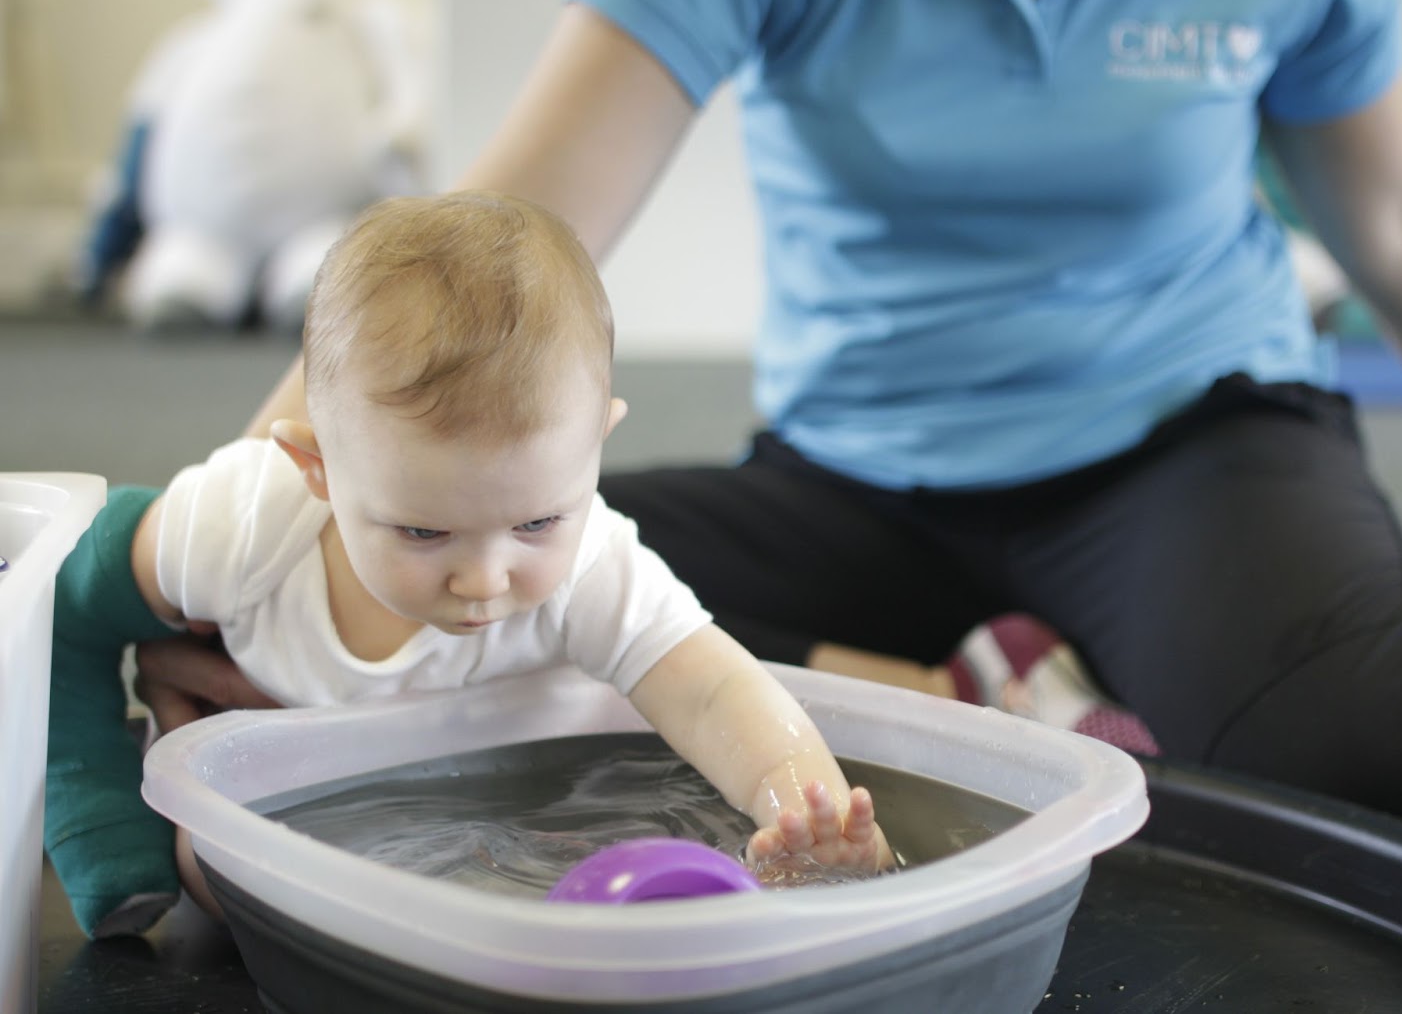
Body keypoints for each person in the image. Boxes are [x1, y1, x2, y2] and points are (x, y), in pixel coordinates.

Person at [162, 0, 1402, 887]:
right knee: (469, 596)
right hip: (851, 464)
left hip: (1189, 438)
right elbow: (497, 238)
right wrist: (272, 546)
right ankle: (995, 670)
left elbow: (1401, 222)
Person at [46, 191, 890, 939]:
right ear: (318, 472)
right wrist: (96, 807)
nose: (485, 580)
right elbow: (68, 598)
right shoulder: (245, 525)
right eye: (421, 532)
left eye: (535, 521)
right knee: (212, 869)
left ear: (597, 439)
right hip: (297, 814)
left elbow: (715, 694)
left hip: (510, 814)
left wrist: (803, 810)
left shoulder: (595, 560)